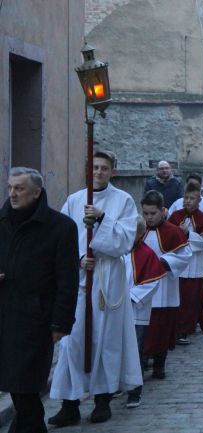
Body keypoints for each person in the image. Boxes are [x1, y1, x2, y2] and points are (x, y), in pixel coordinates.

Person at [49, 150, 141, 426]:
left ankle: (102, 399)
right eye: (95, 167)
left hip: (107, 277)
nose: (99, 172)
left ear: (113, 171)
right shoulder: (75, 200)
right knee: (73, 340)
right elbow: (61, 237)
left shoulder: (122, 201)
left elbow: (126, 240)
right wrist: (78, 258)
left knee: (106, 339)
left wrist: (102, 219)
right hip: (79, 276)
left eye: (105, 168)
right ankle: (70, 403)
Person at [0, 167, 79, 433]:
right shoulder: (1, 222)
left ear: (36, 193)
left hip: (35, 318)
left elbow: (67, 279)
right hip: (3, 313)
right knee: (17, 388)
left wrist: (61, 322)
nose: (12, 193)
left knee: (26, 386)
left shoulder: (61, 227)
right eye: (10, 187)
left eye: (19, 188)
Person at [140, 191, 191, 380]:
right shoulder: (138, 230)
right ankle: (143, 359)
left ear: (162, 211)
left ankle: (159, 364)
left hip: (164, 288)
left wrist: (164, 261)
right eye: (145, 213)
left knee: (162, 329)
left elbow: (185, 256)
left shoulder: (173, 231)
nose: (149, 217)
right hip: (142, 288)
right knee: (143, 328)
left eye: (153, 213)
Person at [125, 216, 167, 409]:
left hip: (136, 312)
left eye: (132, 232)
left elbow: (153, 281)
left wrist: (130, 297)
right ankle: (116, 386)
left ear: (141, 234)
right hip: (116, 311)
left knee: (136, 353)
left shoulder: (147, 254)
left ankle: (135, 391)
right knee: (116, 351)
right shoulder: (115, 252)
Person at [169, 183, 203, 344]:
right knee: (183, 298)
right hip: (180, 265)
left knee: (197, 297)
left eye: (192, 199)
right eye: (186, 198)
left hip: (196, 264)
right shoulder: (175, 216)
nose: (188, 201)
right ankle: (182, 329)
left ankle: (199, 320)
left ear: (199, 201)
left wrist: (188, 233)